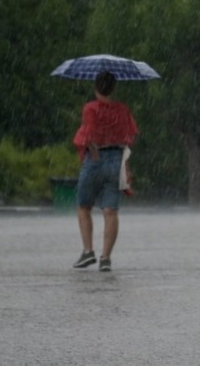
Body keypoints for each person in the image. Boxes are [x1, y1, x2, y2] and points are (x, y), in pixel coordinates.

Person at [71, 71, 138, 272]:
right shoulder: (122, 109)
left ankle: (88, 251)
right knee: (111, 211)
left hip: (96, 158)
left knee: (84, 206)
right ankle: (106, 258)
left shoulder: (90, 108)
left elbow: (89, 134)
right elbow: (130, 135)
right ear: (113, 88)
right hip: (116, 159)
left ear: (96, 87)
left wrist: (93, 151)